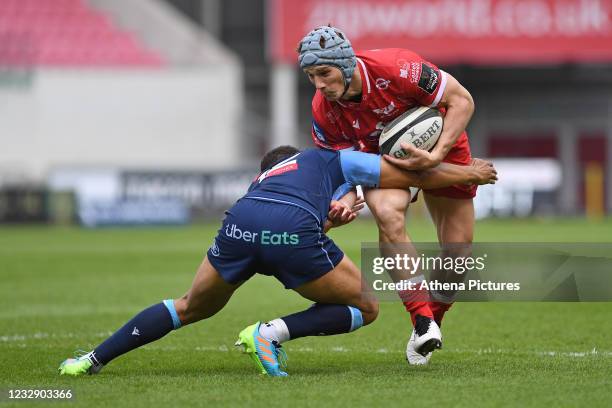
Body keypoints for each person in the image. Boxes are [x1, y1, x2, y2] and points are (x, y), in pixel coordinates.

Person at [58, 146, 496, 377]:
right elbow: (408, 174)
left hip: (240, 222)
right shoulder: (328, 158)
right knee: (367, 307)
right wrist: (468, 173)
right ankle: (270, 334)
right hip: (291, 231)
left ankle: (91, 360)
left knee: (190, 305)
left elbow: (277, 222)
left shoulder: (268, 175)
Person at [298, 25, 481, 365]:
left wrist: (436, 155)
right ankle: (422, 318)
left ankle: (430, 324)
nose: (319, 84)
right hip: (380, 161)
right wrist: (344, 200)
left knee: (458, 254)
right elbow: (340, 167)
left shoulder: (397, 67)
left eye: (324, 72)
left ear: (347, 63)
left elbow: (461, 100)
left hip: (440, 145)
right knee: (388, 215)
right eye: (311, 76)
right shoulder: (324, 109)